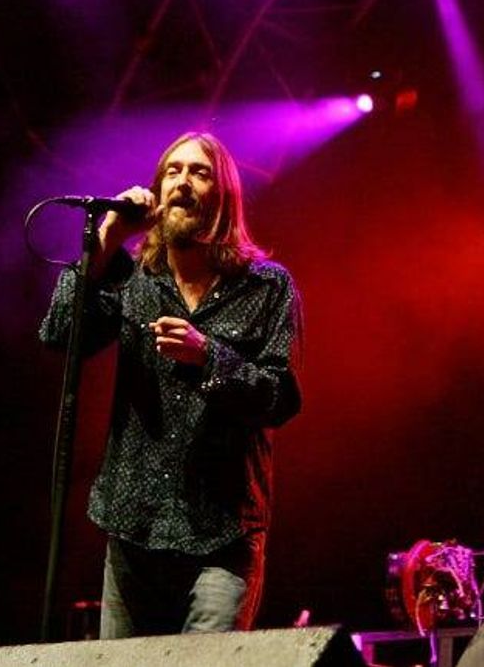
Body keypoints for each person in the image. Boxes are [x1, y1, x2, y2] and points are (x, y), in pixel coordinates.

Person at [40, 132, 302, 637]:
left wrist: (209, 357)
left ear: (223, 196)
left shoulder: (268, 286)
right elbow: (57, 335)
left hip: (221, 537)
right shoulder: (133, 276)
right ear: (157, 192)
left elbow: (281, 397)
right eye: (173, 172)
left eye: (199, 173)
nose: (183, 182)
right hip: (133, 531)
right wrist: (108, 239)